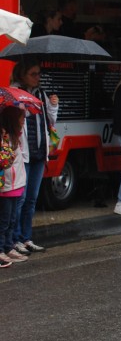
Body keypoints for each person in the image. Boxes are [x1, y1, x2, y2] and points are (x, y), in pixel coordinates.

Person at [10, 60, 57, 255]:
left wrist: (53, 106)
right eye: (33, 74)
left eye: (39, 73)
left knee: (31, 199)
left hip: (38, 152)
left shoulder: (41, 94)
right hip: (23, 154)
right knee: (19, 199)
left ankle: (26, 237)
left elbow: (50, 122)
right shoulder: (14, 93)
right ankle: (13, 239)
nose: (38, 77)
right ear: (22, 75)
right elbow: (14, 123)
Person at [0, 107, 27, 265]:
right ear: (13, 119)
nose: (24, 121)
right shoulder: (4, 137)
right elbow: (5, 161)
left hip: (16, 185)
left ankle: (8, 246)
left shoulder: (16, 137)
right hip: (6, 185)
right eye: (21, 118)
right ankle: (1, 250)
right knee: (4, 220)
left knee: (12, 219)